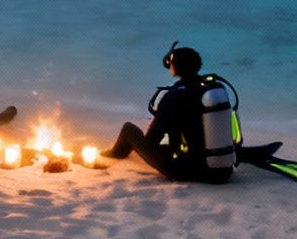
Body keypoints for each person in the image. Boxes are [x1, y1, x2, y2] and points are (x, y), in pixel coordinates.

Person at [105, 43, 278, 183]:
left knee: (129, 130)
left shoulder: (174, 96)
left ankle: (115, 154)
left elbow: (151, 142)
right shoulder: (211, 88)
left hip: (191, 172)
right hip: (223, 172)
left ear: (174, 67)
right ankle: (250, 154)